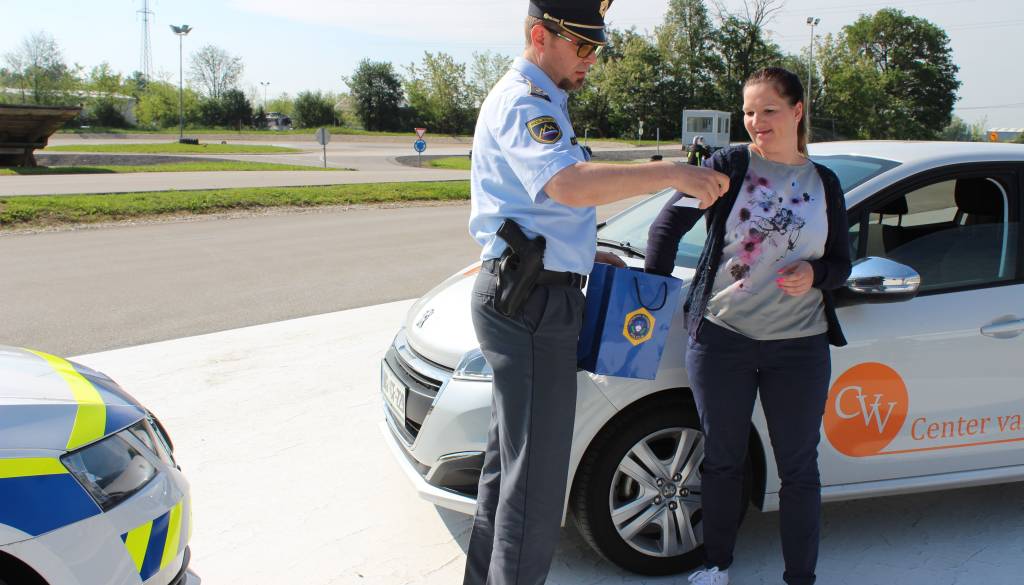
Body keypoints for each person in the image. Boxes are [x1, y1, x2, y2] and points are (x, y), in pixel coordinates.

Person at [464, 2, 730, 584]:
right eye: (581, 46)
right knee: (535, 486)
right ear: (541, 36)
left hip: (531, 290)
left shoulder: (543, 100)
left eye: (596, 48)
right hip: (532, 302)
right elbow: (566, 184)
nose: (591, 59)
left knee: (509, 471)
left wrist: (584, 254)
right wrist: (671, 172)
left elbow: (538, 208)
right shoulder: (524, 101)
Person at [644, 67, 852, 585]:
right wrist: (653, 297)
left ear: (797, 111)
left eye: (769, 110)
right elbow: (665, 229)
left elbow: (842, 265)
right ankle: (716, 565)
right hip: (723, 341)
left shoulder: (824, 183)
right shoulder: (729, 166)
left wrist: (816, 275)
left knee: (799, 469)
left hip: (799, 348)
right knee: (722, 460)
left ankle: (800, 577)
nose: (757, 122)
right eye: (749, 112)